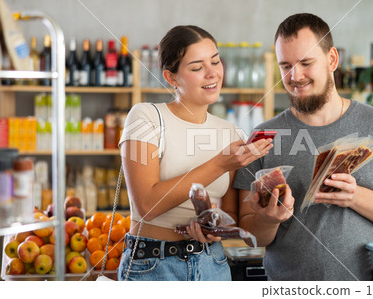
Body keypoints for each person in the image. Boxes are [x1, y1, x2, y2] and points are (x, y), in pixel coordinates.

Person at [233, 13, 373, 281]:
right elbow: (250, 237)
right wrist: (269, 218)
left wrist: (355, 196)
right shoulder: (262, 138)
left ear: (332, 59)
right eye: (286, 65)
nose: (295, 76)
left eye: (306, 63)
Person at [117, 25, 274, 281]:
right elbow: (146, 204)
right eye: (197, 67)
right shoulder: (145, 117)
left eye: (215, 61)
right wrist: (221, 164)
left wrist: (215, 229)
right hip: (153, 266)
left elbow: (231, 216)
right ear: (171, 78)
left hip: (212, 263)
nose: (212, 73)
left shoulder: (231, 133)